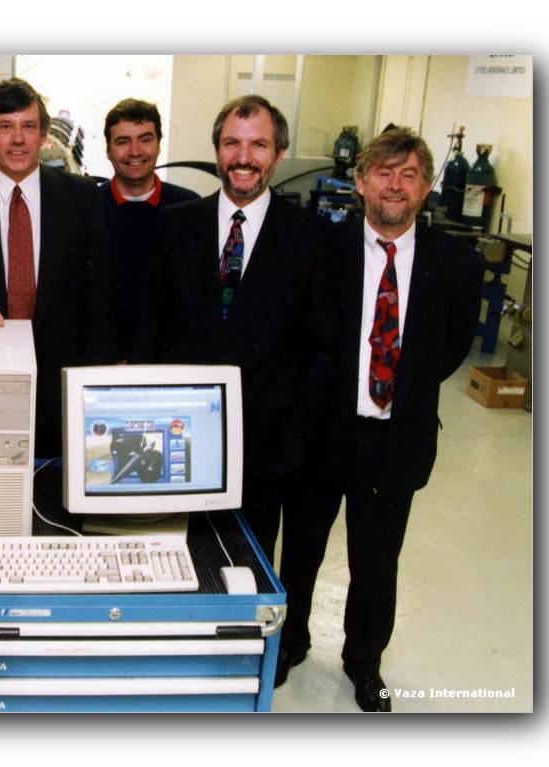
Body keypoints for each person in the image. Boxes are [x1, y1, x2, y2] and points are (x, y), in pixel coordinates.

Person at [275, 128, 483, 712]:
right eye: (384, 173)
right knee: (304, 548)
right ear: (360, 181)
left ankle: (363, 661)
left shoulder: (457, 266)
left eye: (409, 174)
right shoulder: (324, 249)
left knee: (377, 559)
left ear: (426, 188)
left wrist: (392, 390)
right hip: (323, 430)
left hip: (396, 437)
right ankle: (292, 641)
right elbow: (307, 338)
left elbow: (448, 349)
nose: (395, 185)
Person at [132, 95, 332, 562]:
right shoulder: (174, 227)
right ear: (217, 149)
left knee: (249, 564)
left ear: (279, 154)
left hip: (269, 446)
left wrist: (297, 430)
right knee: (174, 559)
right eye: (232, 143)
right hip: (177, 439)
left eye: (258, 145)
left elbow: (323, 347)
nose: (244, 158)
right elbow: (149, 330)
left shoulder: (312, 238)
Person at [0, 78, 115, 458]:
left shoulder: (82, 198)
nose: (17, 139)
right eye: (6, 127)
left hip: (62, 388)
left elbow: (101, 293)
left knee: (55, 501)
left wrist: (97, 383)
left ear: (43, 135)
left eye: (28, 127)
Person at [99, 98, 198, 361]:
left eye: (145, 139)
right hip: (103, 362)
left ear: (158, 144)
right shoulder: (87, 209)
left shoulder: (190, 208)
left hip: (169, 362)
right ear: (108, 150)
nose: (135, 151)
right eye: (122, 141)